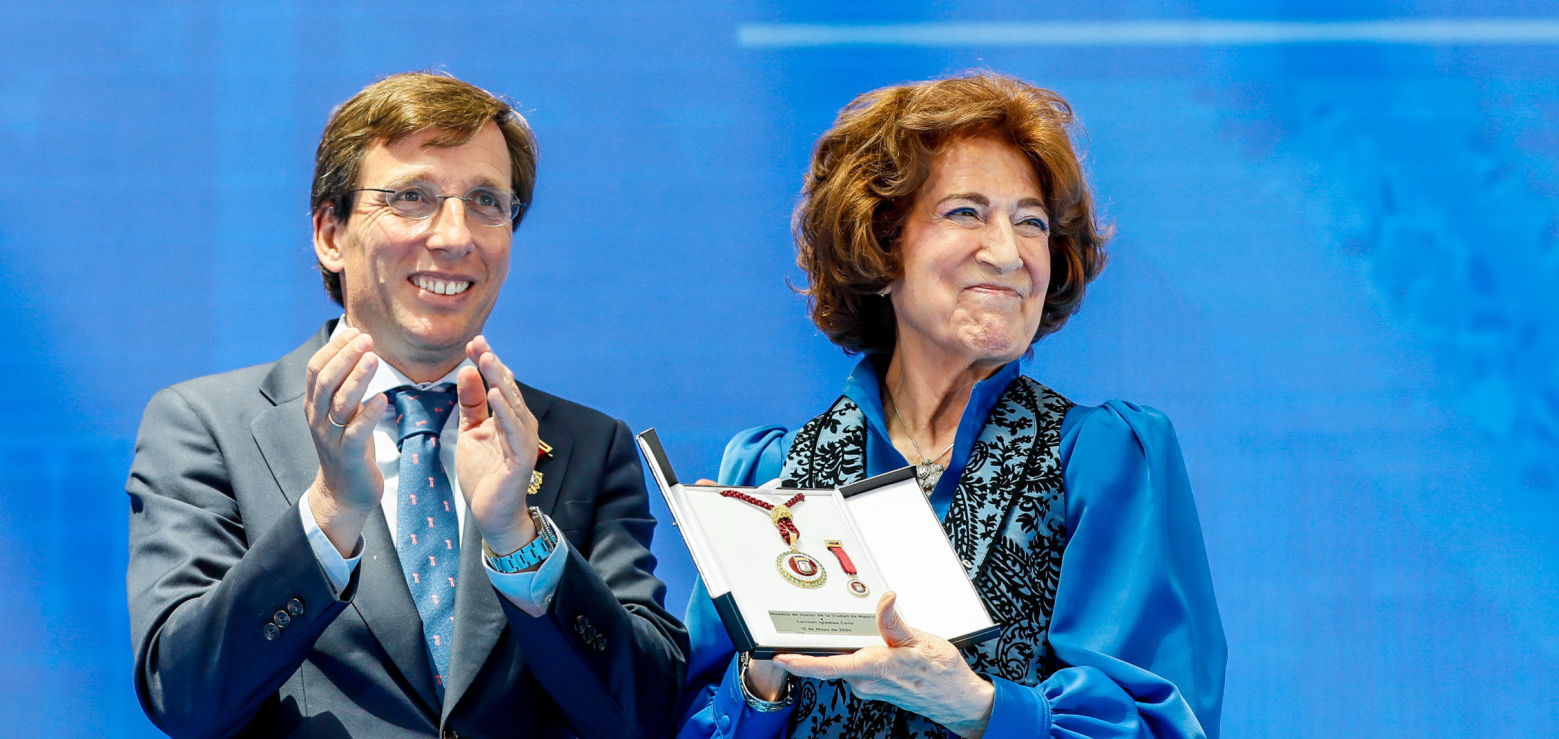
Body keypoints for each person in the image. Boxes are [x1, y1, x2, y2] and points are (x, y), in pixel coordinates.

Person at [125, 71, 687, 739]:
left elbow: (644, 712)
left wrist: (519, 538)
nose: (455, 236)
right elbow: (187, 697)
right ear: (330, 232)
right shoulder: (205, 426)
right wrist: (331, 512)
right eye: (412, 197)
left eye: (486, 201)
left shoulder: (588, 445)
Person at [676, 72, 1226, 738]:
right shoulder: (767, 476)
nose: (1008, 253)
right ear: (881, 245)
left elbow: (1162, 725)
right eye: (965, 212)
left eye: (1031, 222)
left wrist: (977, 703)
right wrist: (764, 673)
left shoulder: (1100, 458)